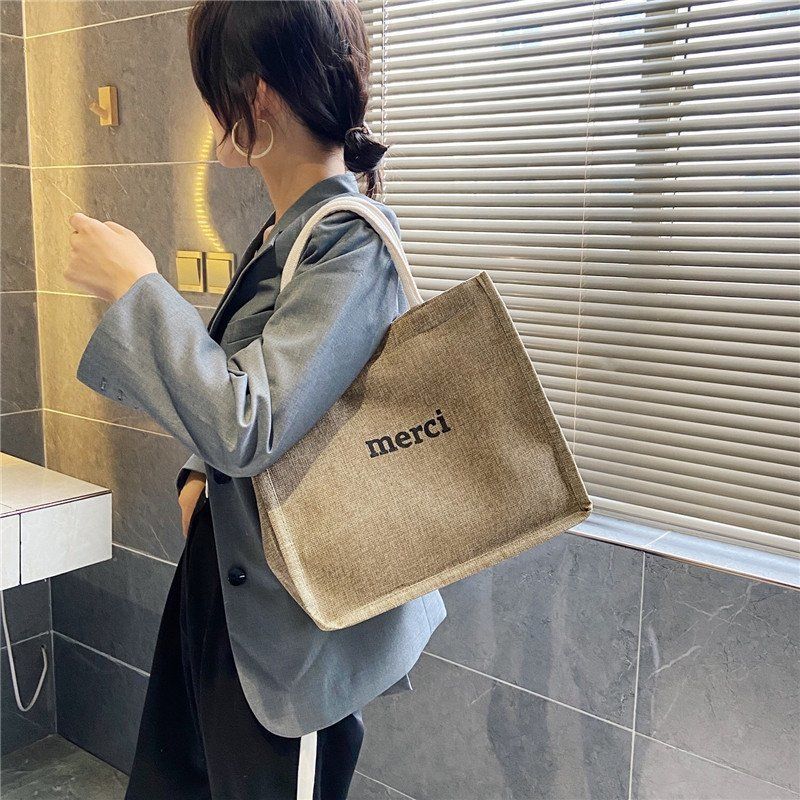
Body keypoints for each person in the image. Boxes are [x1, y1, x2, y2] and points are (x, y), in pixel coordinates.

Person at [64, 2, 447, 797]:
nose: (212, 115)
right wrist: (198, 473)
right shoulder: (289, 232)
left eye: (215, 91)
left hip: (290, 631)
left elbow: (252, 421)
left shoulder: (350, 243)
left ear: (258, 97)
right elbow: (258, 392)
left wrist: (137, 288)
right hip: (233, 596)